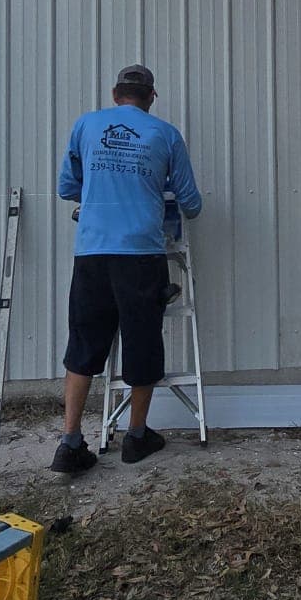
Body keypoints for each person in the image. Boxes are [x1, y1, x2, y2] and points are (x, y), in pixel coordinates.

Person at [52, 64, 203, 472]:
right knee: (142, 340)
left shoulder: (86, 125)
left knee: (84, 343)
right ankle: (136, 437)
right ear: (151, 98)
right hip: (140, 255)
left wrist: (103, 186)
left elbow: (67, 187)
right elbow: (191, 201)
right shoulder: (166, 134)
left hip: (93, 254)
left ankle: (69, 442)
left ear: (115, 94)